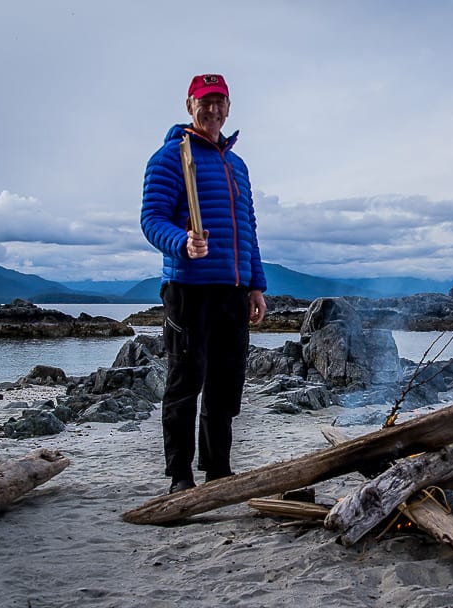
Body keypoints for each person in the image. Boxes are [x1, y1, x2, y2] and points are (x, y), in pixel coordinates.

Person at [140, 73, 267, 494]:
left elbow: (248, 228)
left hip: (233, 290)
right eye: (204, 101)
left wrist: (255, 285)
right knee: (185, 382)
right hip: (189, 289)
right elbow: (152, 220)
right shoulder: (169, 157)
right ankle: (180, 476)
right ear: (189, 105)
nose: (213, 109)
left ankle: (218, 471)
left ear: (228, 107)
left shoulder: (237, 165)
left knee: (225, 386)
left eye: (219, 102)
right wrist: (182, 242)